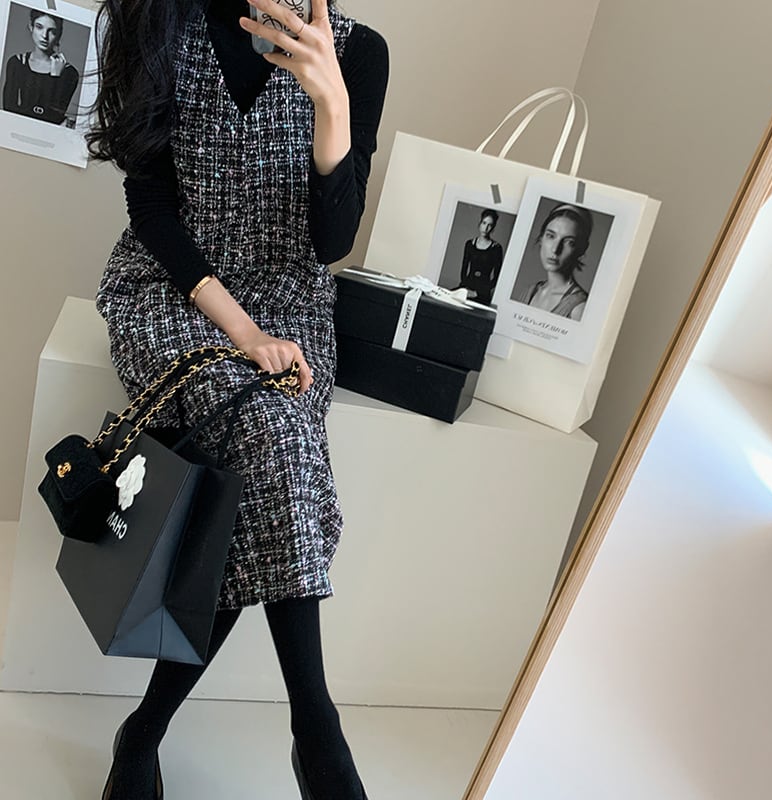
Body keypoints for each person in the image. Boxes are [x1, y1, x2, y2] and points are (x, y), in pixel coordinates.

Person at [86, 0, 388, 798]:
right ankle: (317, 731)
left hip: (290, 303)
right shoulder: (163, 25)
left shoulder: (359, 52)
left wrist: (331, 103)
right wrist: (243, 333)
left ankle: (143, 733)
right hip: (175, 292)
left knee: (257, 475)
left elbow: (331, 244)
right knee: (273, 438)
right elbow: (152, 211)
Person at [2, 9, 79, 125]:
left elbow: (54, 117)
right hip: (16, 129)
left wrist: (55, 77)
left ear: (59, 34)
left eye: (52, 31)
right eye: (39, 27)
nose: (44, 36)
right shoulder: (16, 63)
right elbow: (8, 109)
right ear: (31, 27)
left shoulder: (70, 73)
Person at [522, 203, 592, 321]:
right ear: (541, 238)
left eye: (569, 242)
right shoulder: (530, 291)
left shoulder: (579, 309)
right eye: (550, 236)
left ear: (582, 249)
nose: (555, 249)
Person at [455, 207, 503, 304]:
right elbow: (464, 270)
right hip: (467, 287)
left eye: (490, 225)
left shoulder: (496, 248)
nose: (486, 228)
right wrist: (465, 290)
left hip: (482, 293)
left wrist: (477, 293)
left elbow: (497, 278)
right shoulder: (469, 244)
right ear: (480, 223)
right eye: (484, 223)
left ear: (493, 227)